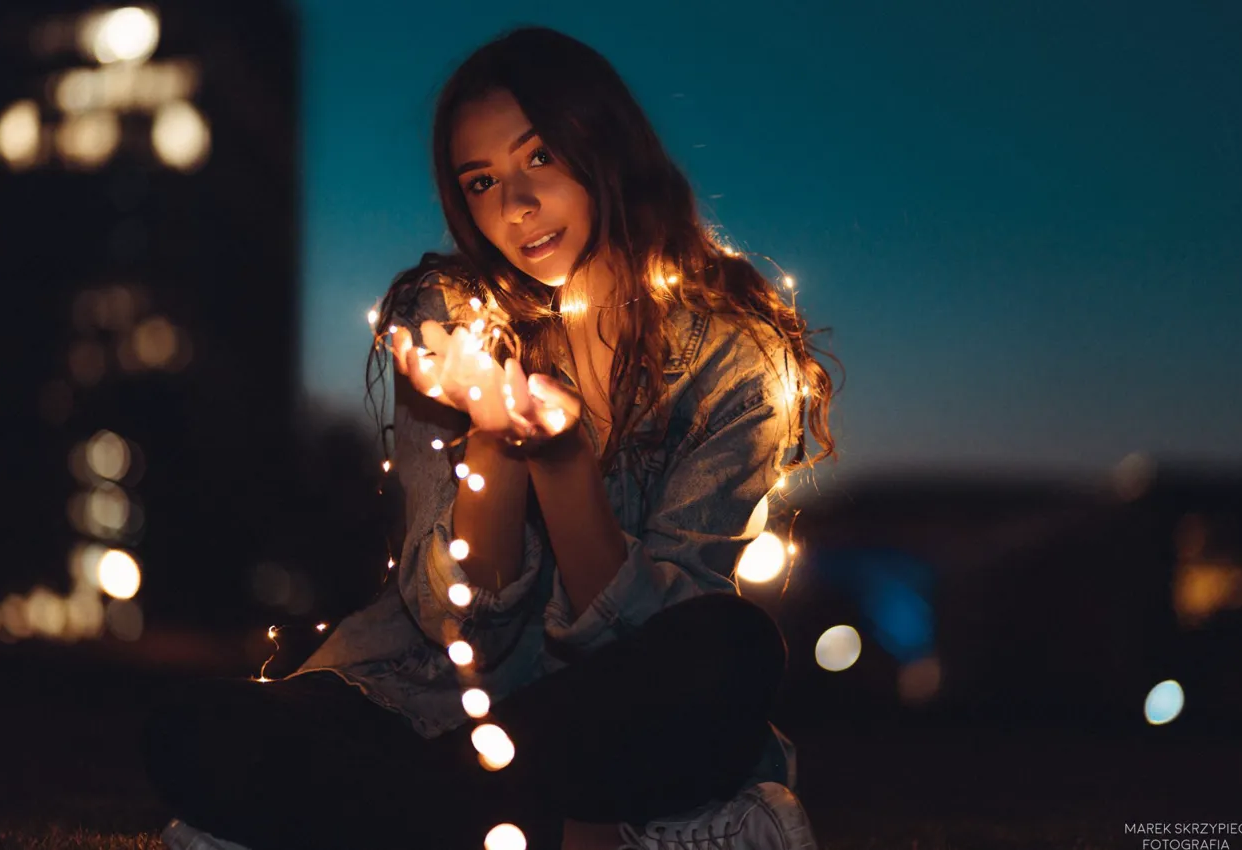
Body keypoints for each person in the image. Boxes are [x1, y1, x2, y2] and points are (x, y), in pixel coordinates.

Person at [143, 25, 840, 850]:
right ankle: (627, 832)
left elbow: (655, 644)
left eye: (539, 156)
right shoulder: (451, 323)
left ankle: (338, 824)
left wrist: (562, 456)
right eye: (482, 181)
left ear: (605, 145)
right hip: (426, 703)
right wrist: (493, 442)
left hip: (612, 714)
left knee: (732, 649)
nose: (515, 206)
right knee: (195, 729)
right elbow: (453, 624)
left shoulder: (736, 357)